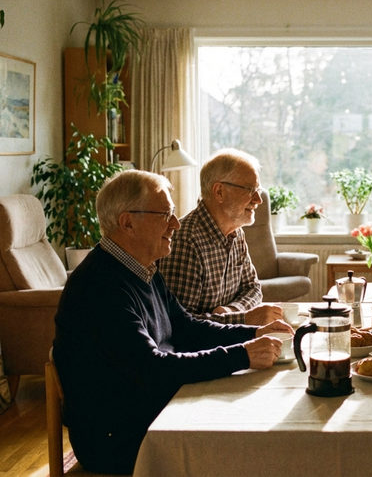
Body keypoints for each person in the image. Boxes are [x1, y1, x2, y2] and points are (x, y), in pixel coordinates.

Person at [53, 170, 293, 474]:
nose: (175, 224)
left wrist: (255, 333)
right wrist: (243, 354)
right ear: (128, 222)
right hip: (116, 439)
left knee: (258, 414)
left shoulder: (142, 268)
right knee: (252, 444)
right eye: (165, 214)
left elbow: (187, 328)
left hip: (151, 409)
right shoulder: (100, 286)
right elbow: (152, 370)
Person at [158, 148, 283, 326]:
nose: (258, 199)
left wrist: (231, 311)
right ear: (219, 192)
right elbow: (179, 325)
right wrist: (243, 318)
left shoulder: (236, 232)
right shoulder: (186, 241)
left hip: (228, 339)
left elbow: (253, 289)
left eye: (258, 190)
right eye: (250, 190)